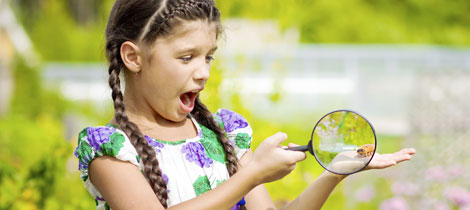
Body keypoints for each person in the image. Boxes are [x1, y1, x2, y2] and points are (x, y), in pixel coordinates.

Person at [74, 0, 416, 209]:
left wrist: (334, 172)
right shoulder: (111, 151)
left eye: (208, 57)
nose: (203, 72)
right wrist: (250, 175)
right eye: (186, 57)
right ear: (134, 57)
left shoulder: (223, 134)